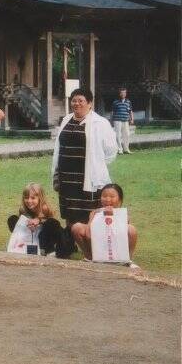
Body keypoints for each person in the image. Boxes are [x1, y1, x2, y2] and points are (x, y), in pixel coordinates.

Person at [51, 88, 118, 255]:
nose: (77, 104)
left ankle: (92, 244)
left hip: (88, 177)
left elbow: (111, 151)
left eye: (81, 100)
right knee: (69, 212)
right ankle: (69, 243)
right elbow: (58, 148)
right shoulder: (66, 119)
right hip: (67, 177)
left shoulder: (100, 123)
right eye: (74, 100)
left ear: (89, 103)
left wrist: (97, 165)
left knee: (89, 212)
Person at [70, 183, 138, 264]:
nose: (108, 199)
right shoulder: (95, 213)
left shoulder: (123, 215)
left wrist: (113, 215)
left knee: (131, 229)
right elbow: (88, 236)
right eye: (104, 196)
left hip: (116, 248)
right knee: (77, 227)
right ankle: (89, 257)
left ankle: (127, 260)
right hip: (97, 246)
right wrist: (94, 218)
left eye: (112, 197)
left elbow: (120, 237)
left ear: (119, 200)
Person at [6, 183, 63, 256]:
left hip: (45, 234)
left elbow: (52, 224)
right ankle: (20, 245)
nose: (29, 201)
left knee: (50, 223)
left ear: (40, 198)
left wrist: (39, 221)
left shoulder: (44, 208)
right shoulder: (23, 210)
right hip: (30, 234)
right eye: (26, 198)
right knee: (13, 219)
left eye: (33, 198)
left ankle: (49, 250)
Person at [111, 87, 133, 154]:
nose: (123, 94)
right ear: (120, 94)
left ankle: (126, 149)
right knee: (118, 135)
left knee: (127, 134)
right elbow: (112, 112)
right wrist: (112, 120)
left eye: (124, 93)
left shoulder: (128, 102)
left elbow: (130, 111)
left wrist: (132, 119)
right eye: (122, 93)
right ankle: (119, 149)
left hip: (125, 120)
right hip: (117, 120)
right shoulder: (115, 102)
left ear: (126, 94)